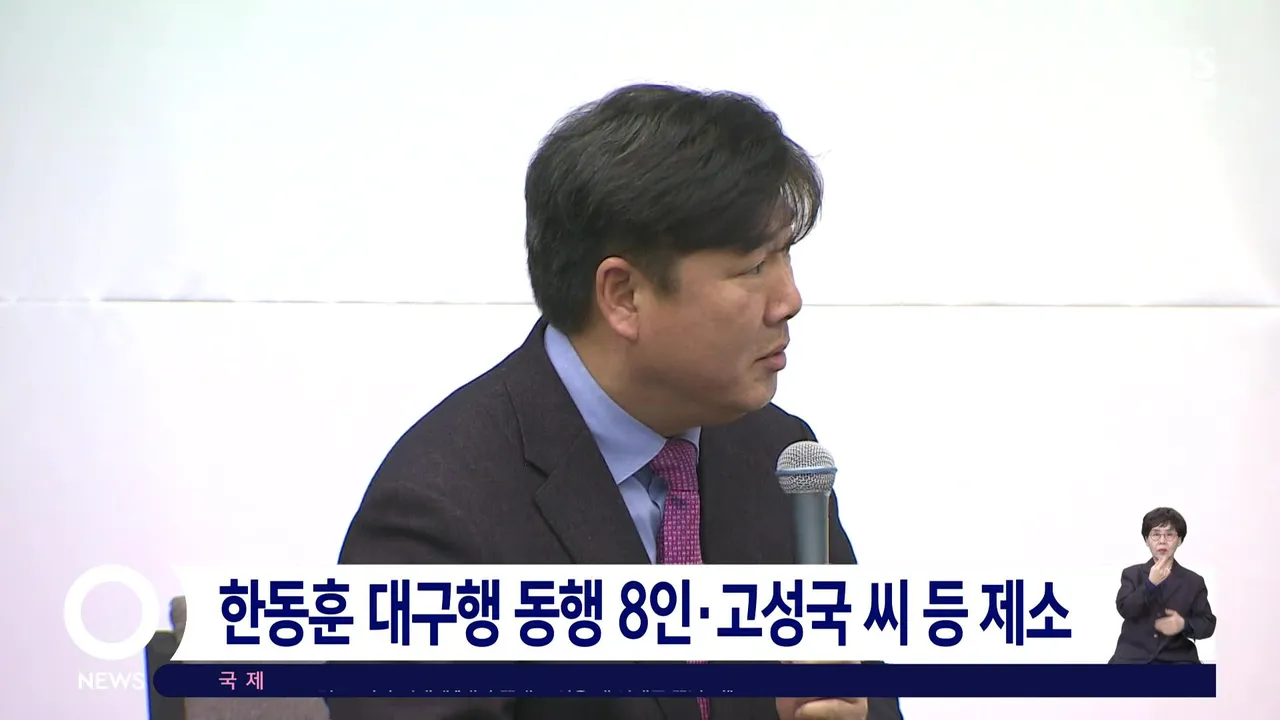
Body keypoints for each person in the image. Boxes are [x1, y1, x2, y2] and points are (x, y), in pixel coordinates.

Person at [328, 84, 904, 720]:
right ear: (624, 296)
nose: (789, 300)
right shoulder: (439, 515)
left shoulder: (778, 458)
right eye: (752, 268)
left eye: (786, 256)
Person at [1108, 507, 1216, 664]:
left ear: (1179, 540)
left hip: (1177, 660)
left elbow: (1207, 625)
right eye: (1156, 534)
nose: (1162, 541)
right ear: (1147, 540)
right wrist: (1150, 584)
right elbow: (1125, 609)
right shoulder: (1132, 574)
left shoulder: (1194, 581)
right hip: (1132, 659)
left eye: (1169, 535)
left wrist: (1183, 624)